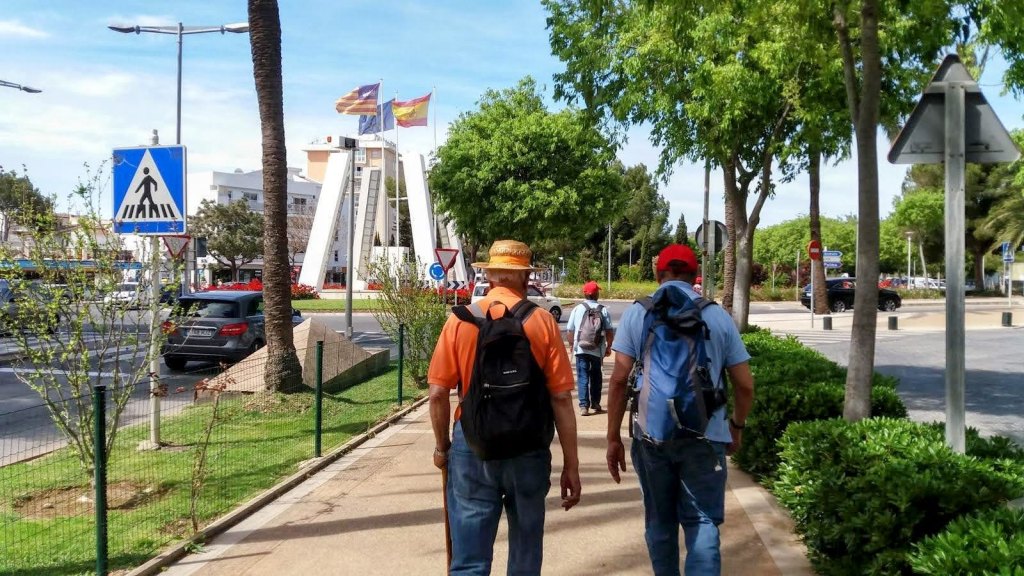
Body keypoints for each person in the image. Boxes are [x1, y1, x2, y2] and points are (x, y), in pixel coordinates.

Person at [428, 239, 582, 576]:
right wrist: (571, 464)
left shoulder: (460, 320)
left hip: (473, 445)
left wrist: (443, 448)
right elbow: (560, 399)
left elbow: (438, 392)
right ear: (525, 278)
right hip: (528, 447)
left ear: (491, 276)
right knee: (525, 557)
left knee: (469, 560)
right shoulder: (542, 322)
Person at [606, 244, 755, 576]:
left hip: (651, 435)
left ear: (659, 274)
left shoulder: (637, 312)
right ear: (694, 276)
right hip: (706, 435)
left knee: (659, 522)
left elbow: (618, 381)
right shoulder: (716, 315)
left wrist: (613, 437)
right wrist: (737, 426)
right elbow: (745, 384)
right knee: (702, 521)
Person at [565, 280, 615, 416]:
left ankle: (583, 406)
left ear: (585, 294)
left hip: (581, 348)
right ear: (596, 293)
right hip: (597, 350)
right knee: (596, 376)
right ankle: (596, 403)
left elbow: (569, 330)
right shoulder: (603, 309)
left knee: (582, 376)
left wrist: (571, 345)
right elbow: (609, 331)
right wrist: (609, 346)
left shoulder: (577, 309)